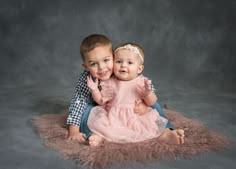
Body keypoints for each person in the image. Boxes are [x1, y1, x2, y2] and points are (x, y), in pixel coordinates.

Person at [87, 43, 185, 146]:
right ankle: (99, 138)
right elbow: (101, 101)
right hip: (113, 115)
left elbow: (152, 102)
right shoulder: (110, 82)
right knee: (102, 126)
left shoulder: (141, 82)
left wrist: (148, 93)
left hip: (134, 115)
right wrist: (94, 89)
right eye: (119, 61)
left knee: (150, 128)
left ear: (139, 69)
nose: (123, 65)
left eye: (130, 62)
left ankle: (167, 135)